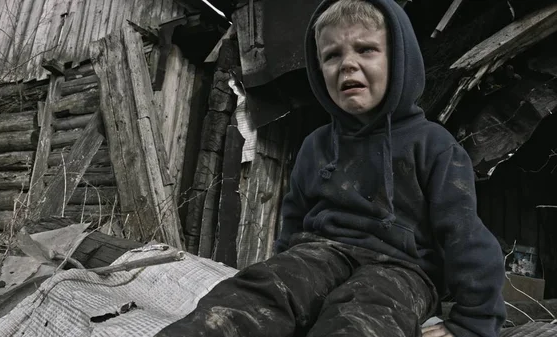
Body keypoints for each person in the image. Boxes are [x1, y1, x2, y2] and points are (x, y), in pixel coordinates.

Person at [156, 0, 506, 336]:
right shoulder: (316, 146)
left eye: (366, 49)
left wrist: (472, 323)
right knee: (255, 292)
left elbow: (467, 239)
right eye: (331, 55)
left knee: (364, 315)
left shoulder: (435, 146)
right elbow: (292, 226)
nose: (347, 65)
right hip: (320, 253)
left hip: (403, 271)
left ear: (400, 59)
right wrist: (287, 280)